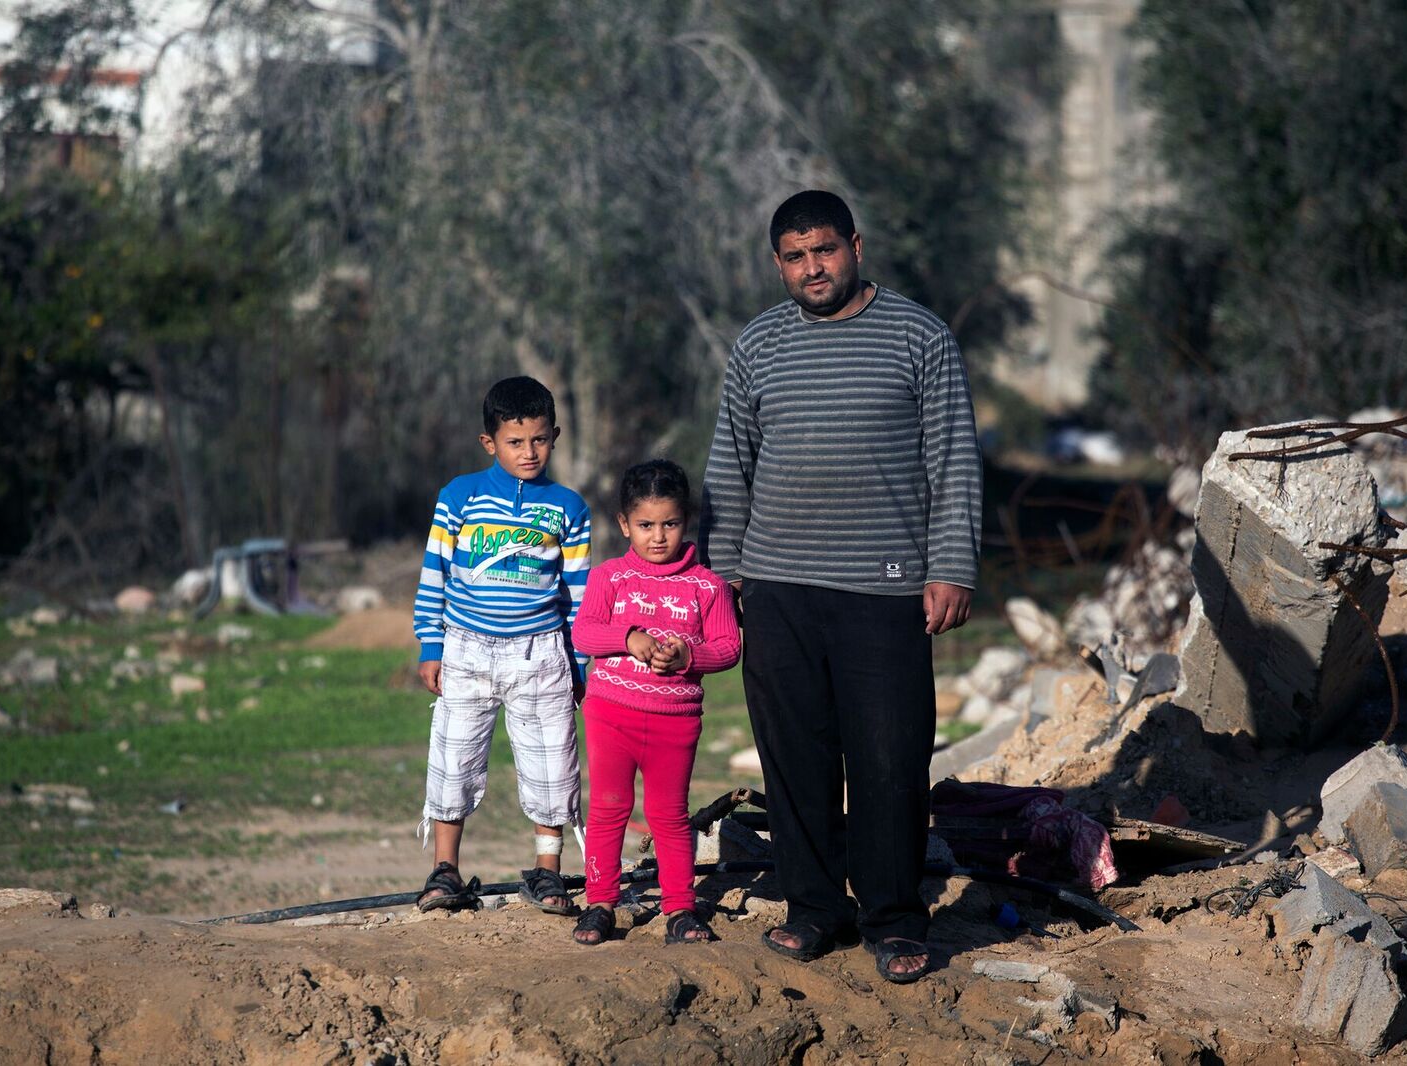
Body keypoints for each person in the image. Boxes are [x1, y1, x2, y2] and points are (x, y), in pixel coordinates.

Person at [699, 190, 983, 983]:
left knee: (889, 756)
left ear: (855, 246)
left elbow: (953, 456)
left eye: (823, 250)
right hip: (778, 586)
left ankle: (894, 917)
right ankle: (815, 907)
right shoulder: (759, 344)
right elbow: (731, 464)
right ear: (778, 264)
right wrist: (721, 578)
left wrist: (951, 565)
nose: (811, 267)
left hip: (884, 586)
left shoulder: (918, 335)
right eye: (794, 256)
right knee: (795, 755)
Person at [411, 375, 591, 915]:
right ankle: (445, 872)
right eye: (515, 442)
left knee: (551, 763)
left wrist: (579, 661)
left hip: (541, 655)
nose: (528, 452)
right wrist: (430, 644)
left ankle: (547, 872)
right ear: (490, 442)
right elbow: (434, 576)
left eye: (539, 439)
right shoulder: (458, 496)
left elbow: (577, 593)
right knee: (454, 756)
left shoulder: (568, 507)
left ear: (555, 436)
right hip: (465, 649)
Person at [568, 459, 741, 946]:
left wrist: (690, 654)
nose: (658, 536)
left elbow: (728, 646)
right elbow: (584, 632)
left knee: (669, 813)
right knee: (608, 807)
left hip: (676, 721)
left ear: (686, 521)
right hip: (611, 714)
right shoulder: (609, 578)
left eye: (670, 523)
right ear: (625, 524)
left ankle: (680, 909)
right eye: (645, 525)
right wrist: (628, 637)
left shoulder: (709, 585)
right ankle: (600, 903)